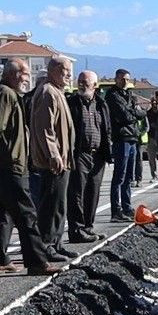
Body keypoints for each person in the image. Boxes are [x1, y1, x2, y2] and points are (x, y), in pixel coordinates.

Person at [0, 58, 56, 276]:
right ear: (13, 74)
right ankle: (36, 261)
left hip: (5, 163)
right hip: (9, 164)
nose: (27, 78)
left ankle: (0, 260)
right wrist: (4, 157)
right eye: (24, 74)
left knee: (3, 212)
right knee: (26, 213)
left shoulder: (2, 93)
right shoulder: (5, 94)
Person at [30, 57, 77, 262]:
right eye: (65, 70)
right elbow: (45, 127)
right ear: (54, 70)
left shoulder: (58, 92)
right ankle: (47, 245)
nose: (69, 75)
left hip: (63, 159)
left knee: (59, 203)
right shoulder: (48, 92)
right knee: (51, 204)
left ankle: (56, 243)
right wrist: (53, 154)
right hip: (53, 161)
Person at [67, 71, 112, 244]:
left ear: (95, 86)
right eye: (79, 81)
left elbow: (106, 128)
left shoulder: (101, 104)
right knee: (77, 192)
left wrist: (108, 150)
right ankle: (76, 230)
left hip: (98, 154)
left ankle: (88, 227)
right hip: (80, 153)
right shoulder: (72, 103)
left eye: (85, 82)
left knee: (93, 192)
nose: (81, 85)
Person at [104, 70, 145, 222]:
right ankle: (116, 210)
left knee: (129, 176)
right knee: (119, 176)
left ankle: (127, 207)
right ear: (116, 79)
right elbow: (124, 116)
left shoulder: (128, 95)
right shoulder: (112, 95)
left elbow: (142, 113)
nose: (124, 82)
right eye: (122, 79)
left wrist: (133, 112)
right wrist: (134, 112)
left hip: (133, 137)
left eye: (127, 79)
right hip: (121, 138)